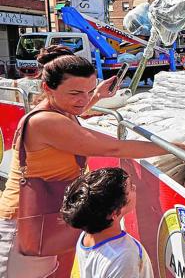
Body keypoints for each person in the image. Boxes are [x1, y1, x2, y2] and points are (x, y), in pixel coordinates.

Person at [0, 46, 172, 278]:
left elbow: (74, 114)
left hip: (47, 215)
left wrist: (98, 96)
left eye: (88, 91)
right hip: (24, 221)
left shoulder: (60, 111)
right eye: (75, 93)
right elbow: (114, 147)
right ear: (47, 87)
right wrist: (173, 148)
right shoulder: (47, 122)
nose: (83, 100)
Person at [61, 167, 153, 278]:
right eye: (130, 189)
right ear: (115, 212)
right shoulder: (124, 257)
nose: (134, 187)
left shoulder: (86, 236)